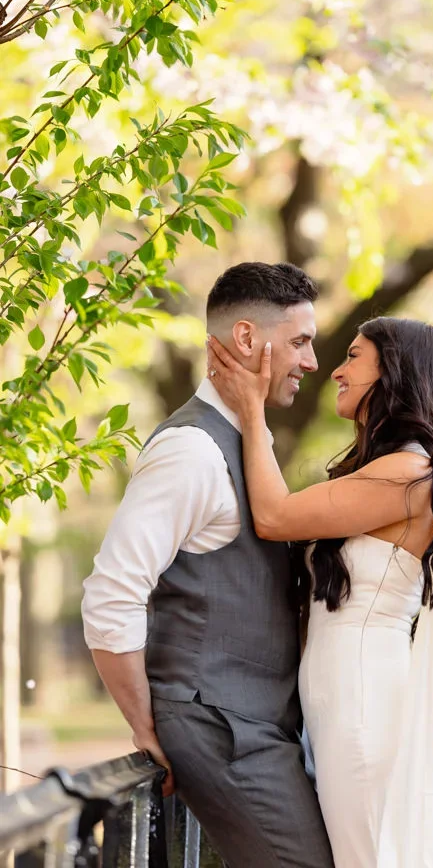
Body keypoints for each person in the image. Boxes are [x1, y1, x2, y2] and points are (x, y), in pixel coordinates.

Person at [81, 262, 334, 868]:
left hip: (255, 730)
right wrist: (146, 727)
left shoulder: (246, 442)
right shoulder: (190, 450)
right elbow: (111, 594)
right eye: (299, 341)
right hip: (218, 729)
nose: (312, 362)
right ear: (247, 339)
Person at [206, 315, 433, 868]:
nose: (336, 370)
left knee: (369, 854)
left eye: (352, 356)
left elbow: (275, 516)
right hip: (341, 692)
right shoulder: (384, 469)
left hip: (364, 698)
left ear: (391, 371)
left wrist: (252, 410)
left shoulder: (408, 474)